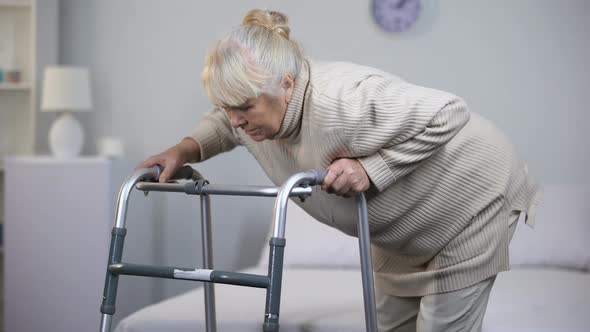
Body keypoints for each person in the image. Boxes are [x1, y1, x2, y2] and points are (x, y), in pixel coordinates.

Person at [136, 8, 542, 332]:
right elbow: (222, 124)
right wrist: (183, 150)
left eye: (244, 107)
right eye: (228, 106)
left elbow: (450, 110)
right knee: (389, 324)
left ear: (287, 85)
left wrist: (372, 169)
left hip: (470, 198)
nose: (236, 120)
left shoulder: (342, 99)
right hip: (401, 228)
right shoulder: (250, 111)